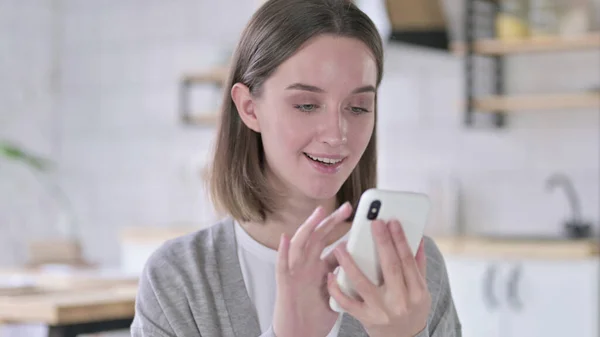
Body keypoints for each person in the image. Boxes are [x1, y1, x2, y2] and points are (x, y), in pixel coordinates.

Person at [130, 0, 462, 336]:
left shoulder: (410, 265)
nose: (337, 134)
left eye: (359, 107)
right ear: (249, 108)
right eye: (306, 104)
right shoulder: (178, 278)